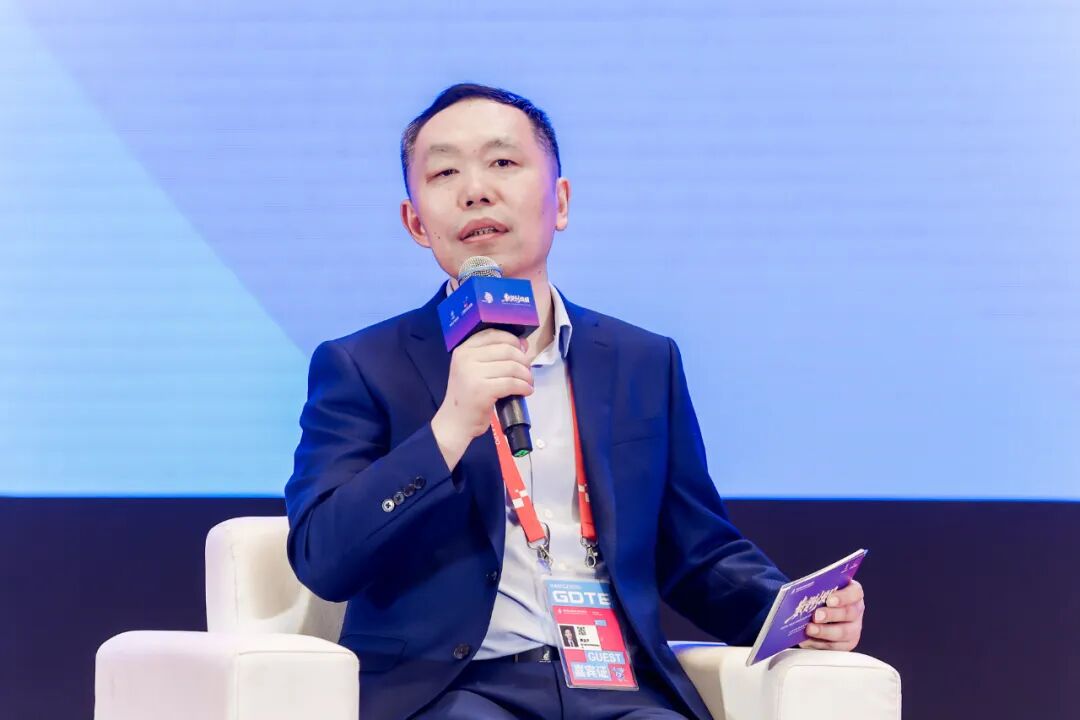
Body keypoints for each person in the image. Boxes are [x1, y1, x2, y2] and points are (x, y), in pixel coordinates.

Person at [285, 83, 866, 720]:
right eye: (445, 172)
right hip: (451, 692)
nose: (475, 189)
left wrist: (795, 612)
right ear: (416, 223)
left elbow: (695, 550)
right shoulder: (363, 365)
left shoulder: (642, 360)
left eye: (503, 161)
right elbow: (323, 558)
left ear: (559, 202)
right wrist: (448, 429)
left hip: (617, 688)